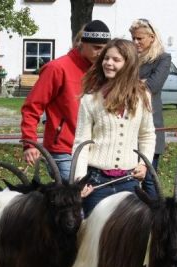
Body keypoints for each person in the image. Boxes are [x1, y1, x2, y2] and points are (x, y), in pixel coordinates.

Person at [72, 38, 156, 217]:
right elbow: (81, 142)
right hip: (96, 182)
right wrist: (80, 179)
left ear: (129, 64)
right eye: (106, 58)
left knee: (128, 239)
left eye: (116, 60)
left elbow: (148, 135)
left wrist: (143, 165)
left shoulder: (143, 97)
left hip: (129, 181)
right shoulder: (90, 99)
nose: (108, 63)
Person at [21, 20, 111, 181]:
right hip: (63, 150)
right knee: (75, 200)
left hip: (93, 149)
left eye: (104, 50)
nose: (101, 54)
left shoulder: (102, 71)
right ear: (82, 43)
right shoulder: (57, 68)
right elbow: (32, 107)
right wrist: (29, 143)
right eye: (96, 48)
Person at [129, 18, 171, 199]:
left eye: (140, 38)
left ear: (152, 37)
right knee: (129, 178)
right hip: (128, 123)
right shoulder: (130, 58)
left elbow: (152, 86)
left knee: (149, 179)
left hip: (150, 124)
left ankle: (156, 220)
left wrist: (130, 83)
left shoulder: (163, 58)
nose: (135, 42)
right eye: (133, 38)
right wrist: (139, 82)